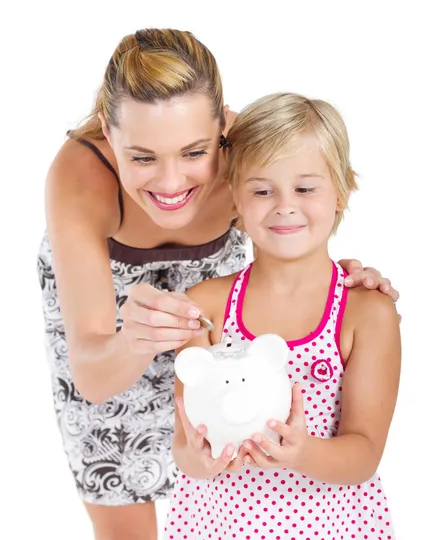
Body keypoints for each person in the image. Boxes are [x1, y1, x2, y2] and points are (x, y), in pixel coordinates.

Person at [37, 29, 399, 540]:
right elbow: (93, 380)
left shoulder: (250, 154)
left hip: (214, 314)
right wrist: (135, 337)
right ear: (107, 131)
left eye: (194, 152)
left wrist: (344, 285)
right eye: (142, 157)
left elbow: (293, 227)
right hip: (103, 327)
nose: (169, 183)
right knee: (121, 508)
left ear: (222, 129)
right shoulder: (80, 175)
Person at [167, 92, 400, 539]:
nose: (284, 205)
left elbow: (365, 453)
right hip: (219, 527)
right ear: (236, 196)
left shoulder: (366, 312)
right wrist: (201, 459)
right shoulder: (207, 307)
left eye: (306, 187)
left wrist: (300, 452)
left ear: (341, 190)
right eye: (262, 189)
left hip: (327, 528)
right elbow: (182, 446)